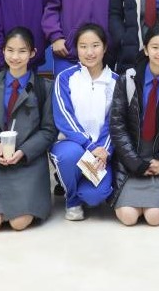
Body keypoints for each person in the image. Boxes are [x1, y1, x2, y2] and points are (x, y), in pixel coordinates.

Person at [0, 27, 56, 231]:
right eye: (10, 50)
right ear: (3, 51)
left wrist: (23, 151)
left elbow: (48, 131)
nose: (15, 56)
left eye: (22, 51)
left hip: (29, 162)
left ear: (32, 53)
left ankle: (19, 205)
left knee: (18, 223)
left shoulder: (44, 87)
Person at [109, 26, 159, 225]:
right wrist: (134, 163)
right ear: (145, 49)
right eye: (155, 47)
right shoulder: (127, 79)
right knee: (128, 217)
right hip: (131, 161)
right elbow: (117, 125)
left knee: (154, 217)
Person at [50, 23, 118, 221]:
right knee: (70, 156)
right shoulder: (65, 78)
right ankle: (72, 200)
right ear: (76, 49)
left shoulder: (116, 81)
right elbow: (64, 117)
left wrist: (103, 151)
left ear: (105, 48)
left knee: (94, 196)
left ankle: (75, 180)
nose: (90, 52)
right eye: (83, 46)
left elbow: (115, 122)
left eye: (95, 45)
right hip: (71, 145)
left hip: (101, 151)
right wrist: (89, 146)